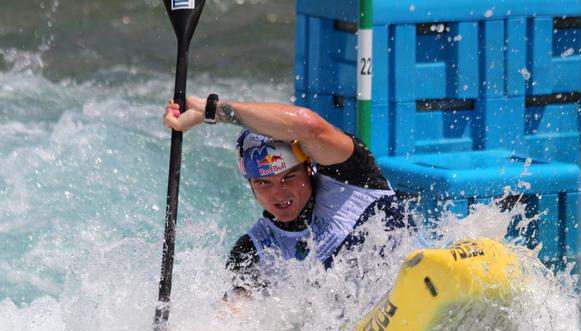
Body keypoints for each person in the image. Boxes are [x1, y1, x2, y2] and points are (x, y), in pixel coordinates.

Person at [163, 95, 408, 293]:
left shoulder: (351, 177)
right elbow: (231, 322)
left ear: (308, 166)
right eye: (263, 183)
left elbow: (309, 126)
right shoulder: (254, 250)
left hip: (418, 279)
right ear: (250, 184)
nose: (279, 194)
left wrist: (212, 110)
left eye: (289, 177)